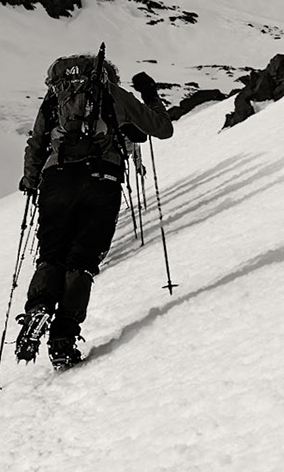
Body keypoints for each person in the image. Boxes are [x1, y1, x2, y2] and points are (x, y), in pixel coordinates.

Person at [14, 50, 173, 368]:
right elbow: (161, 128)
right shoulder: (112, 93)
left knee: (51, 256)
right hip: (102, 179)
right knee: (82, 261)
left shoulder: (55, 96)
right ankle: (63, 338)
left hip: (56, 179)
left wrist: (31, 181)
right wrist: (149, 94)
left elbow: (37, 141)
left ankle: (38, 309)